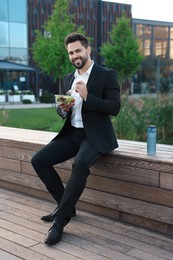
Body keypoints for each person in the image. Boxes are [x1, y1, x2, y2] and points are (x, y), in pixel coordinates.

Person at [31, 32, 121, 245]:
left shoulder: (106, 74)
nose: (74, 55)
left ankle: (59, 221)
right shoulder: (68, 78)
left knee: (80, 164)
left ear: (88, 50)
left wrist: (88, 96)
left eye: (78, 50)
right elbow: (66, 112)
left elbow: (114, 107)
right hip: (72, 133)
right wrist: (62, 109)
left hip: (95, 135)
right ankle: (67, 207)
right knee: (38, 160)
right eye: (71, 53)